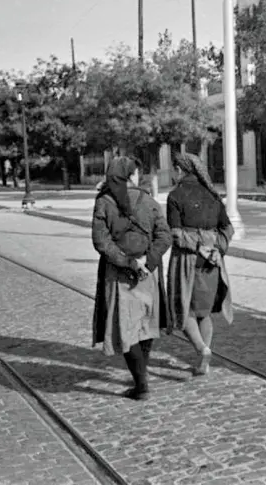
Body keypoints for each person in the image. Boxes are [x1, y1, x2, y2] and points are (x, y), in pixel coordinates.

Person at [91, 156, 172, 400]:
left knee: (127, 329)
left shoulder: (104, 202)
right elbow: (165, 235)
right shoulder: (148, 201)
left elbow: (101, 241)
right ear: (130, 176)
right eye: (135, 173)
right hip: (148, 273)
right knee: (145, 325)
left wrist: (128, 262)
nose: (138, 177)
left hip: (119, 274)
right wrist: (148, 260)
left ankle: (141, 383)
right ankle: (141, 379)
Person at [166, 152, 234, 376]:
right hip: (213, 262)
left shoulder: (175, 196)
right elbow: (228, 228)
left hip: (187, 261)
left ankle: (202, 350)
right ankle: (202, 361)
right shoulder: (213, 195)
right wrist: (217, 248)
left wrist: (197, 246)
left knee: (184, 311)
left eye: (174, 169)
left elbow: (175, 234)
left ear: (179, 170)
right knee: (203, 312)